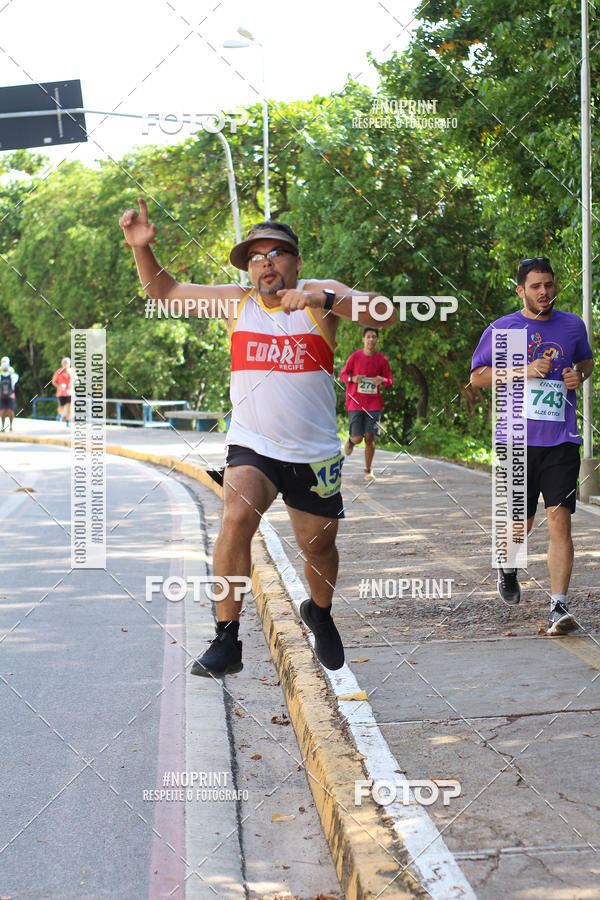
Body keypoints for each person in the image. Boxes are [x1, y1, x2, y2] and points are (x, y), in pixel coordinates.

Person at [119, 199, 396, 676]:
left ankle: (320, 612)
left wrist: (321, 301)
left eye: (277, 253)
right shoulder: (236, 301)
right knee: (235, 515)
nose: (266, 261)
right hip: (253, 445)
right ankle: (227, 640)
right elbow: (165, 293)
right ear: (248, 267)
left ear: (295, 261)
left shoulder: (320, 294)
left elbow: (386, 312)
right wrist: (142, 249)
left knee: (319, 548)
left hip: (313, 453)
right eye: (256, 255)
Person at [471, 257, 593, 635]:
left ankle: (558, 606)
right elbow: (477, 377)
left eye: (549, 285)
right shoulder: (503, 328)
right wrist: (523, 370)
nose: (544, 292)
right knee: (520, 525)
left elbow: (588, 362)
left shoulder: (572, 324)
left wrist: (579, 375)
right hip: (516, 439)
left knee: (560, 519)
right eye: (536, 286)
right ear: (521, 289)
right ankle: (508, 565)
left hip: (561, 439)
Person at [340, 327, 393, 480]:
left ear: (377, 340)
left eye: (374, 337)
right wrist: (352, 379)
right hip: (355, 402)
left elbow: (390, 381)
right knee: (358, 438)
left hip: (374, 404)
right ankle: (350, 441)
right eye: (368, 337)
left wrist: (382, 380)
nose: (371, 339)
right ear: (363, 339)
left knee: (370, 437)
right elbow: (343, 375)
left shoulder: (382, 360)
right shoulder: (355, 357)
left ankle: (368, 470)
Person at [52, 357, 75, 426]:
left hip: (70, 392)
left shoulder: (72, 371)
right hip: (61, 393)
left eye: (67, 363)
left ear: (69, 364)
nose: (65, 364)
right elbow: (54, 381)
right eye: (64, 363)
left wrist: (76, 382)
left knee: (69, 406)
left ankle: (68, 421)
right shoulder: (58, 371)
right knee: (61, 406)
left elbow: (76, 380)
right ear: (62, 364)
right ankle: (59, 414)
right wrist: (59, 386)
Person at [0, 356, 18, 432]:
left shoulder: (11, 373)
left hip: (10, 395)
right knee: (3, 411)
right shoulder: (6, 372)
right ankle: (3, 426)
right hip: (2, 395)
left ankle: (11, 426)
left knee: (10, 411)